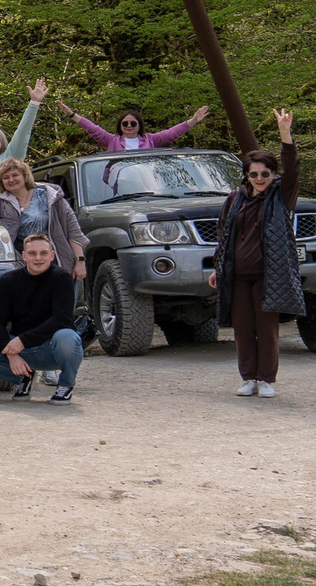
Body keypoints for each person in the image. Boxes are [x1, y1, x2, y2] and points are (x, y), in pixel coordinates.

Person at [210, 109, 303, 399]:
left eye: (265, 174)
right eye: (254, 174)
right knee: (242, 328)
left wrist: (285, 133)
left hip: (268, 275)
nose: (260, 178)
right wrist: (216, 268)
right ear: (246, 176)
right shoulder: (234, 198)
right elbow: (223, 234)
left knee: (266, 328)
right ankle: (248, 377)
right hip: (237, 275)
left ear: (273, 175)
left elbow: (293, 168)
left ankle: (266, 379)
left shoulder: (281, 195)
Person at [0, 233, 83, 403]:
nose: (38, 258)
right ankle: (23, 378)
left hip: (51, 348)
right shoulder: (8, 280)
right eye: (32, 253)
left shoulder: (62, 278)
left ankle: (66, 385)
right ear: (24, 256)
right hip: (21, 350)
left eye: (43, 253)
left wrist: (22, 341)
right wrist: (11, 355)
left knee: (68, 337)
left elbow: (62, 319)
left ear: (52, 255)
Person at [0, 157, 85, 290]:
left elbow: (73, 230)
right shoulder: (0, 203)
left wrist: (80, 261)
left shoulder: (50, 195)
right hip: (24, 269)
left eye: (15, 175)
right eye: (6, 177)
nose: (11, 180)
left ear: (25, 176)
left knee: (62, 303)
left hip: (57, 264)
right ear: (1, 182)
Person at [61, 99, 210, 151]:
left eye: (133, 123)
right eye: (125, 123)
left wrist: (192, 121)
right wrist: (72, 114)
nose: (129, 125)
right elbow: (92, 129)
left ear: (139, 126)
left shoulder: (151, 140)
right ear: (120, 126)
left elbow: (171, 133)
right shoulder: (111, 140)